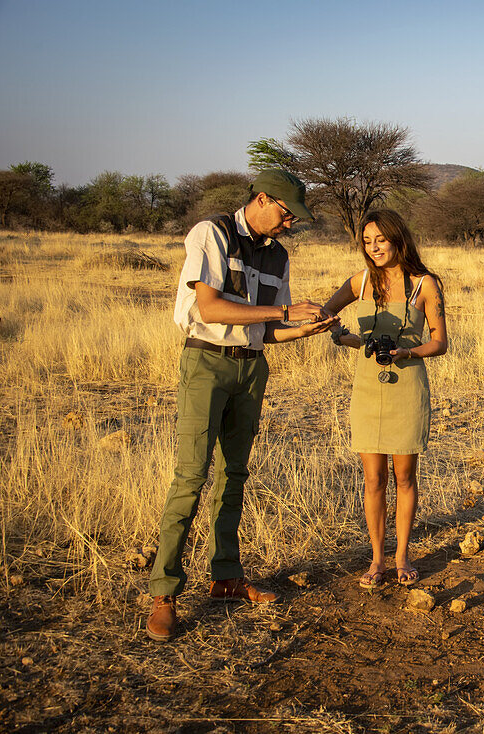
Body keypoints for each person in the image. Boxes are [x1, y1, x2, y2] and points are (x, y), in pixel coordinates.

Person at [147, 169, 338, 642]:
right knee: (191, 476)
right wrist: (283, 312)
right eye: (287, 214)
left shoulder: (279, 255)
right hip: (206, 362)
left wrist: (306, 329)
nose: (290, 225)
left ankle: (226, 577)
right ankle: (164, 593)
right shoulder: (211, 232)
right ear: (263, 198)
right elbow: (210, 309)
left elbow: (270, 330)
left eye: (295, 219)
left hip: (253, 366)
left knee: (235, 474)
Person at [324, 210, 448, 589]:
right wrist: (340, 333)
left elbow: (440, 342)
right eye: (366, 241)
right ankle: (377, 560)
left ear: (398, 238)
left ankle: (402, 557)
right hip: (367, 387)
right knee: (373, 479)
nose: (373, 247)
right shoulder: (360, 282)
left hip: (407, 386)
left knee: (404, 478)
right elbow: (327, 311)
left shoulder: (424, 284)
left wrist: (407, 353)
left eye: (380, 239)